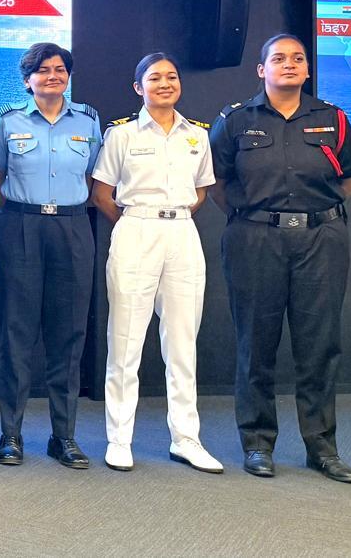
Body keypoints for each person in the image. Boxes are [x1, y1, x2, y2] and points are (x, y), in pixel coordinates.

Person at [210, 34, 351, 484]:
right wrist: (260, 217)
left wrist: (315, 215)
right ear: (262, 70)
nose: (289, 64)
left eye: (298, 58)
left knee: (319, 346)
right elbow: (217, 184)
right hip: (255, 239)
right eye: (278, 58)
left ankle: (322, 448)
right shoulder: (236, 121)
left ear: (308, 69)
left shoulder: (332, 119)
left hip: (321, 240)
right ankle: (257, 444)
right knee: (255, 344)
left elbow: (350, 182)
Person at [89, 52, 223, 474]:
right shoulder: (122, 135)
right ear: (138, 88)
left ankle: (186, 438)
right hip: (135, 231)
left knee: (183, 343)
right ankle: (119, 438)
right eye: (154, 78)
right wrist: (136, 221)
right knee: (125, 343)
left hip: (182, 234)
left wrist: (171, 219)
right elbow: (102, 194)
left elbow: (201, 191)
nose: (164, 83)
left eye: (171, 77)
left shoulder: (197, 136)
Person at [0, 42, 99, 469]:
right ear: (27, 79)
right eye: (43, 70)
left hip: (72, 228)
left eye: (60, 69)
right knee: (16, 335)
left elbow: (91, 174)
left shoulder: (88, 121)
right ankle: (10, 435)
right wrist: (22, 214)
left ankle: (63, 436)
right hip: (20, 226)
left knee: (68, 336)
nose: (53, 76)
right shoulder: (7, 121)